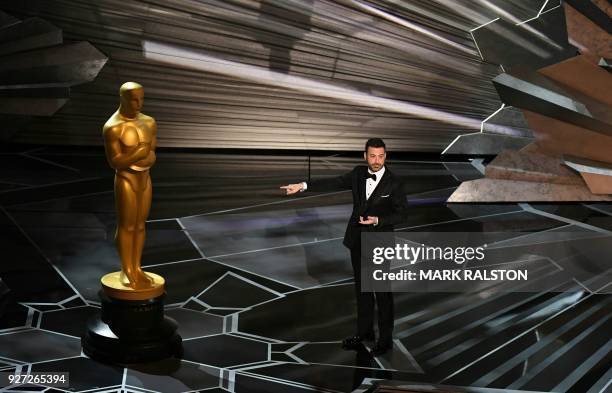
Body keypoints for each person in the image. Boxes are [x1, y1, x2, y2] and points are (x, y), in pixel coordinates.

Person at [281, 138, 408, 355]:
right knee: (362, 291)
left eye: (380, 156)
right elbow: (334, 182)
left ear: (385, 156)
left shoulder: (394, 182)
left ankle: (385, 341)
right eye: (372, 156)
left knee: (382, 293)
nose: (376, 160)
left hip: (379, 243)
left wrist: (378, 220)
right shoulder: (358, 173)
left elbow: (402, 213)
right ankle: (364, 333)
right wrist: (302, 186)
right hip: (358, 240)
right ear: (364, 156)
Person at [103, 82, 157, 289]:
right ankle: (127, 269)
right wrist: (138, 154)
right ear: (122, 99)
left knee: (140, 225)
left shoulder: (149, 122)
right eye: (134, 99)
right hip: (126, 179)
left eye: (141, 99)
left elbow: (152, 153)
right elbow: (114, 162)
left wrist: (145, 156)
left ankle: (137, 267)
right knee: (127, 225)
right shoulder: (113, 127)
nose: (139, 103)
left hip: (145, 178)